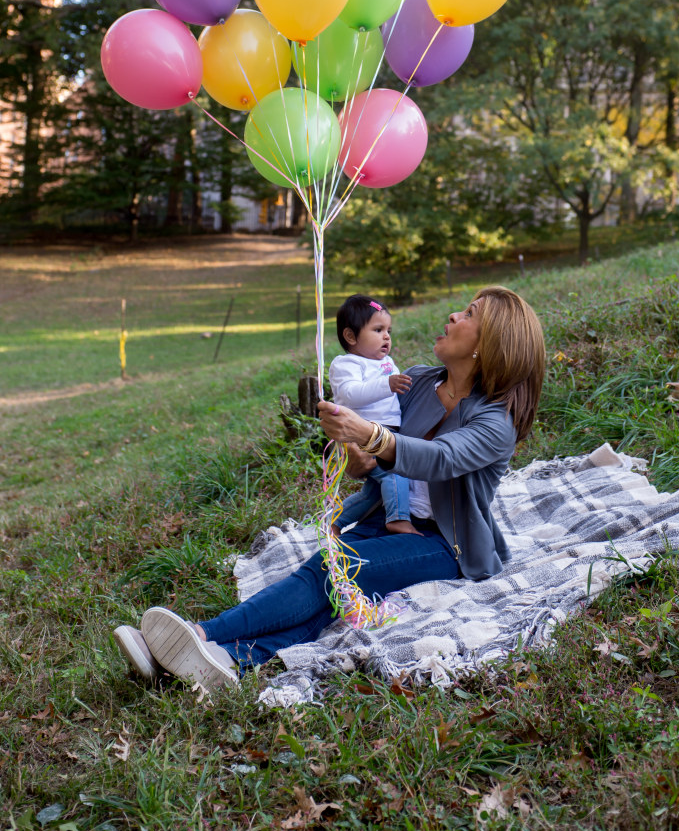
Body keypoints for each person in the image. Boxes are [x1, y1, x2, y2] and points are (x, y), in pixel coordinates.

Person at [113, 286, 545, 689]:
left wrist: (370, 434)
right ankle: (219, 660)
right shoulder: (417, 383)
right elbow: (385, 463)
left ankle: (199, 633)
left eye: (469, 314)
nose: (453, 314)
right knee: (334, 599)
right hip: (386, 519)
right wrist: (362, 458)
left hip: (445, 544)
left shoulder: (495, 420)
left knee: (330, 568)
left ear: (485, 345)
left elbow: (440, 458)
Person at [329, 294, 414, 536]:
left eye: (388, 330)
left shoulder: (387, 362)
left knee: (374, 492)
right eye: (378, 329)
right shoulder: (347, 364)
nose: (386, 336)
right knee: (394, 472)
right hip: (363, 436)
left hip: (386, 433)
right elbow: (350, 394)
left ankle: (334, 522)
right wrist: (387, 384)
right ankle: (398, 519)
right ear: (351, 336)